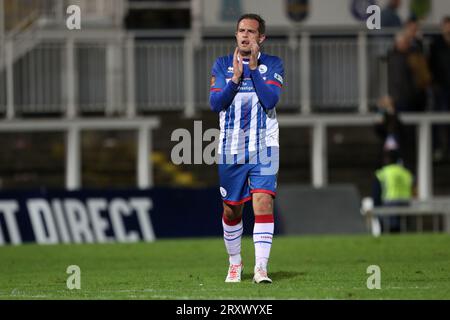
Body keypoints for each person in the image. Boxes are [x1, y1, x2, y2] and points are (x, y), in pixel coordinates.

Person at [209, 13, 284, 283]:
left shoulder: (273, 64)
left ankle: (261, 268)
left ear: (261, 38)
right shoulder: (221, 65)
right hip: (232, 149)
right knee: (232, 210)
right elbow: (216, 104)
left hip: (265, 146)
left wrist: (252, 70)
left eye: (251, 32)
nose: (244, 35)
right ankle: (235, 263)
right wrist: (235, 79)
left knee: (263, 203)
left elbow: (270, 99)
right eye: (241, 30)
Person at [372, 150, 414, 233]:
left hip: (389, 205)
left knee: (390, 231)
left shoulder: (383, 173)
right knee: (403, 231)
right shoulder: (406, 173)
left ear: (387, 159)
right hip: (406, 206)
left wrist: (377, 210)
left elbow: (376, 193)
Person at [429, 16, 450, 161]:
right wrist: (434, 83)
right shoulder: (436, 44)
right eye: (446, 26)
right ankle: (437, 148)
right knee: (437, 119)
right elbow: (431, 65)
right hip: (441, 87)